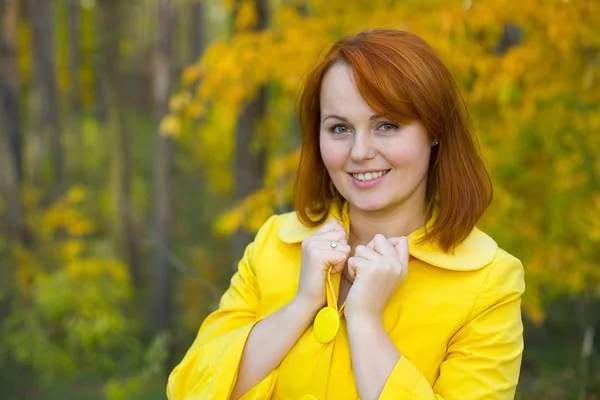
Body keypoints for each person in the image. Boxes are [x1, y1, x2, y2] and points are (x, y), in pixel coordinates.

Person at [166, 28, 525, 400]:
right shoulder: (275, 244)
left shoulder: (490, 283)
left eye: (386, 125)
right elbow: (189, 389)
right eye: (339, 128)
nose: (360, 152)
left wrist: (366, 323)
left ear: (434, 131)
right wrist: (302, 303)